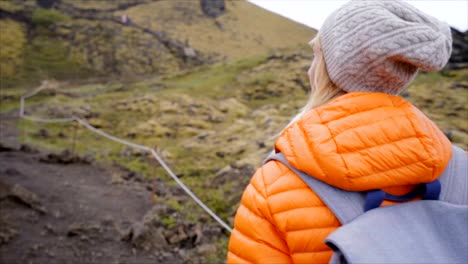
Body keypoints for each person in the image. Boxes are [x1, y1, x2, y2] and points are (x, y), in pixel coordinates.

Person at [227, 0, 454, 263]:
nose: (309, 70)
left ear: (333, 69)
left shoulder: (275, 182)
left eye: (317, 55)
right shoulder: (459, 168)